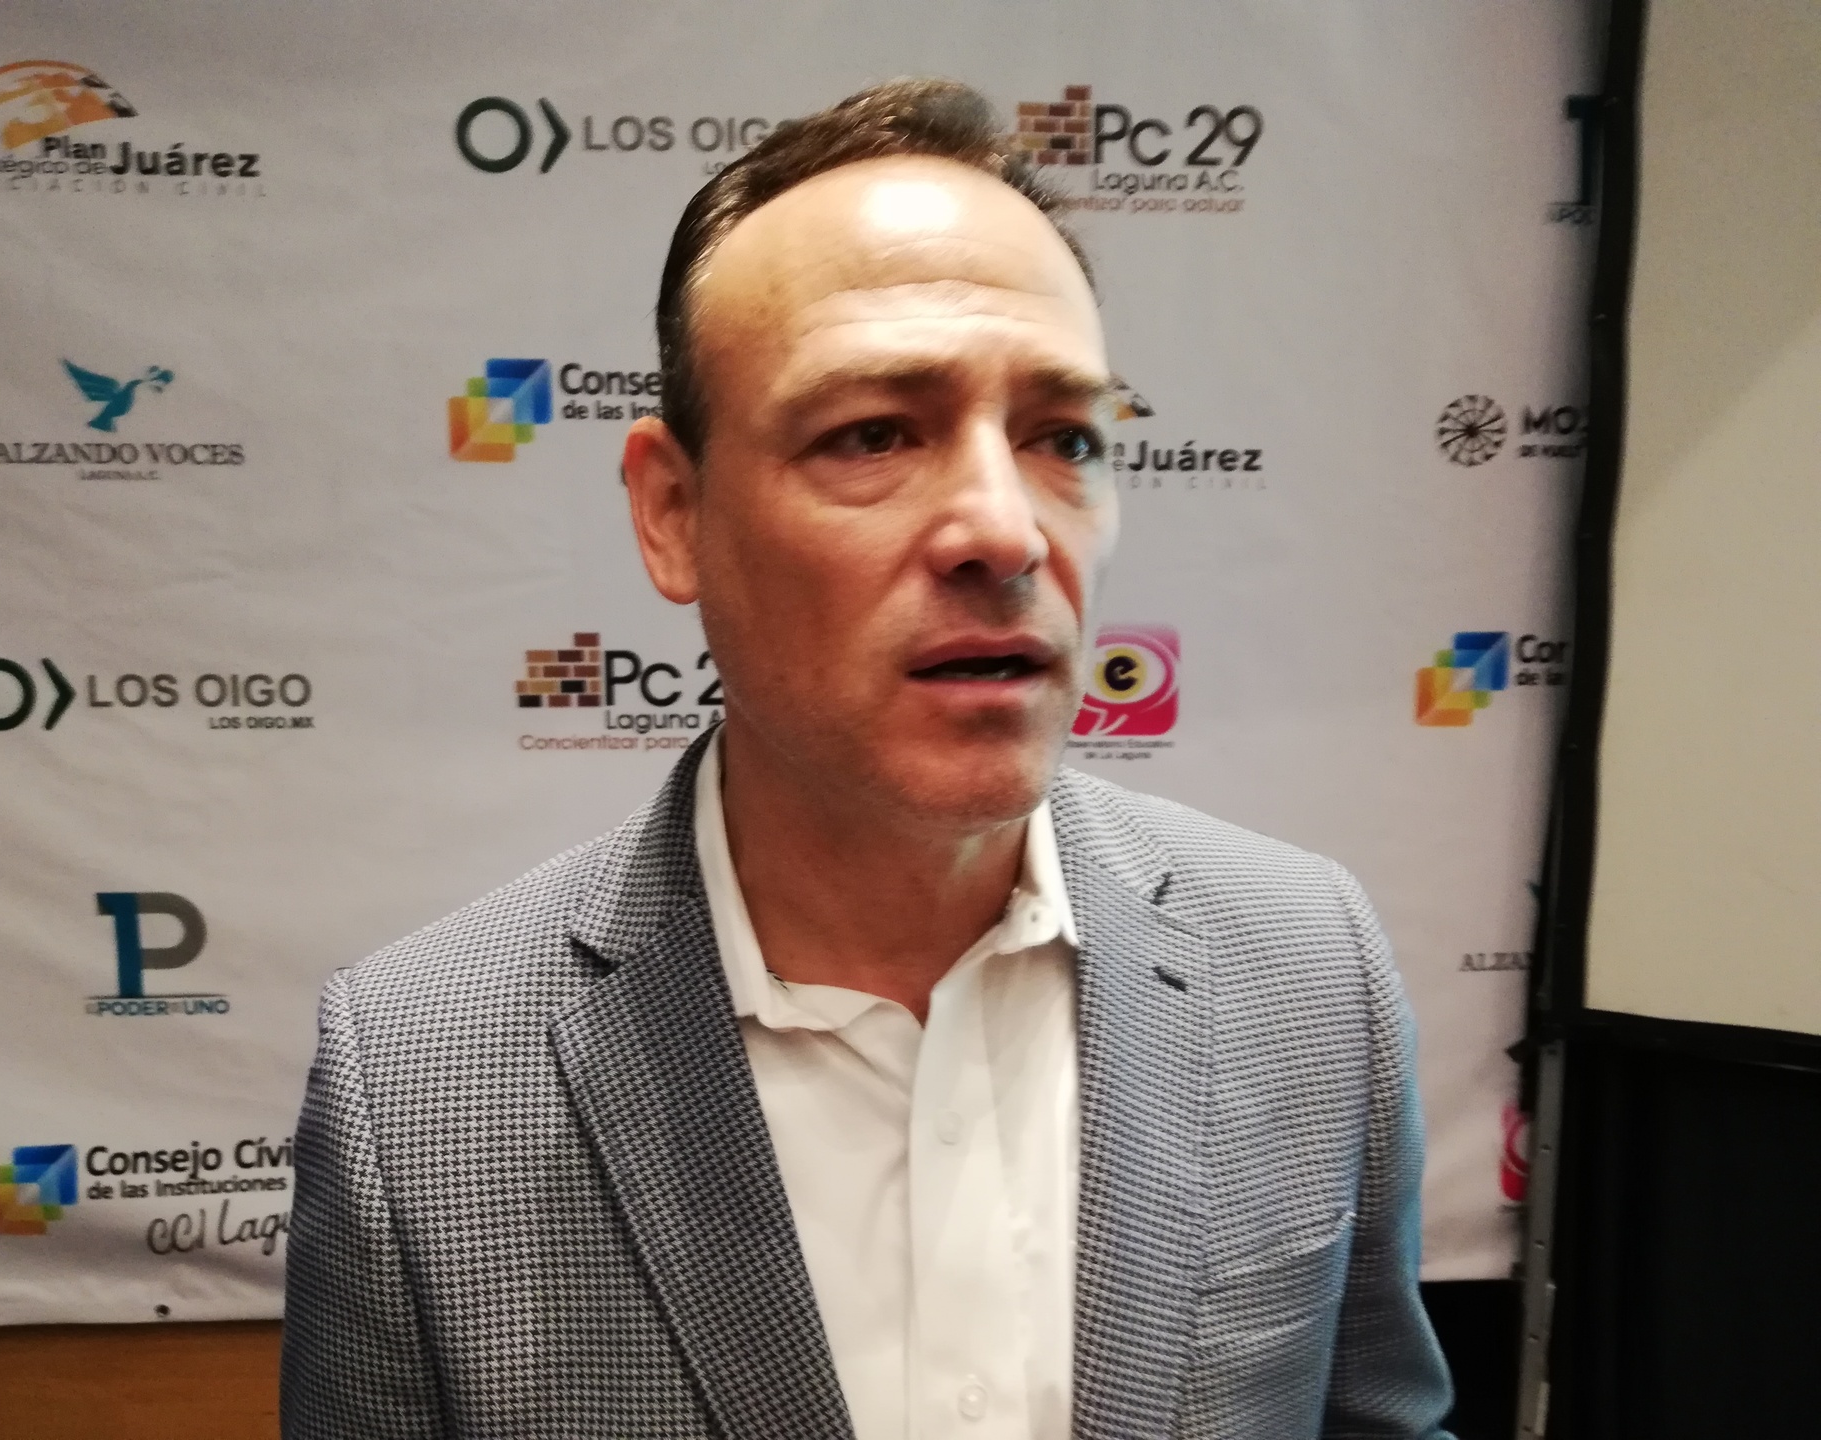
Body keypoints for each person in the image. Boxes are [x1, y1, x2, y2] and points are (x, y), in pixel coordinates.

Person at [281, 78, 1454, 1440]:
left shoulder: (1308, 970)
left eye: (1062, 438)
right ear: (673, 513)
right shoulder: (417, 1083)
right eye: (874, 435)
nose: (1005, 531)